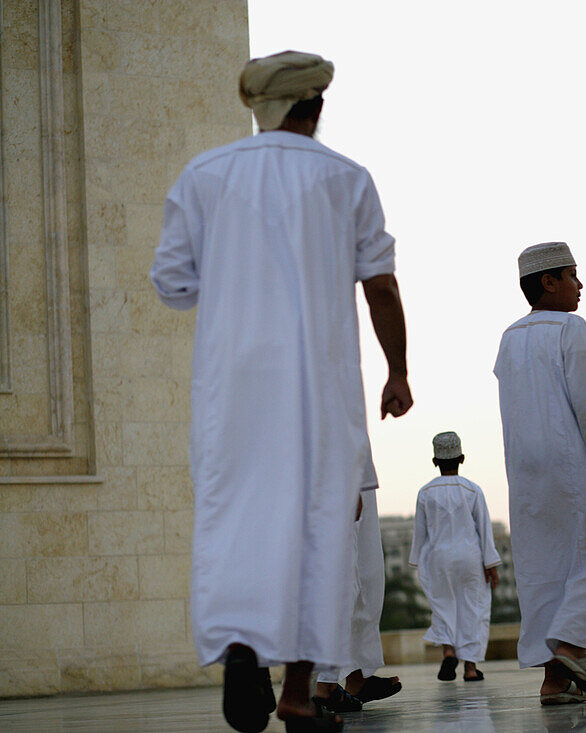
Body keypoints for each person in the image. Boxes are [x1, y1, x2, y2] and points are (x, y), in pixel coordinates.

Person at [151, 50, 412, 733]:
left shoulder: (205, 175)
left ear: (259, 108)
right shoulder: (345, 178)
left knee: (235, 517)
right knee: (321, 524)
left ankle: (240, 643)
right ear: (316, 105)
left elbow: (172, 282)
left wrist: (237, 274)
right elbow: (380, 283)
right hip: (319, 391)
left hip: (231, 388)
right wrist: (398, 371)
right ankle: (298, 692)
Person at [493, 242, 586, 705]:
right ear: (548, 282)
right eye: (573, 275)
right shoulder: (570, 326)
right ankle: (570, 646)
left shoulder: (510, 335)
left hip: (525, 469)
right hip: (570, 459)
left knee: (546, 568)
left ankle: (555, 680)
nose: (580, 285)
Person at [409, 431, 502, 683]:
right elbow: (484, 528)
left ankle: (448, 651)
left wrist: (418, 562)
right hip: (470, 557)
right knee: (474, 608)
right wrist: (490, 563)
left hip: (439, 557)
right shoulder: (472, 490)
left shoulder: (425, 492)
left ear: (435, 461)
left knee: (443, 606)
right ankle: (470, 669)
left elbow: (420, 533)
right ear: (462, 458)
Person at [312, 488, 403, 713]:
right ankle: (322, 686)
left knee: (362, 575)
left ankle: (355, 676)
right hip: (334, 476)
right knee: (342, 576)